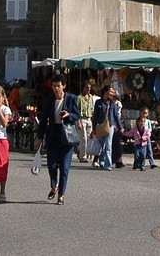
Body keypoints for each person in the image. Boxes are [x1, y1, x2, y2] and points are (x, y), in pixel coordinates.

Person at [35, 75, 81, 203]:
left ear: (64, 86)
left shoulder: (71, 99)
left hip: (67, 135)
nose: (56, 89)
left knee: (65, 167)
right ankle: (54, 185)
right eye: (54, 86)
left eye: (58, 86)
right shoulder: (49, 101)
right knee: (52, 165)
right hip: (53, 134)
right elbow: (44, 120)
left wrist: (69, 115)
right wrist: (40, 137)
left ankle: (61, 195)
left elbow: (77, 114)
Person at [91, 86, 121, 171]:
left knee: (108, 145)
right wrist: (94, 128)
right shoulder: (98, 102)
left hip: (110, 126)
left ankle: (108, 164)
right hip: (100, 126)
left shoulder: (113, 104)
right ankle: (102, 163)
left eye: (113, 92)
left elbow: (116, 116)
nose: (112, 94)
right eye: (110, 92)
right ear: (105, 92)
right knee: (101, 146)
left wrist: (120, 127)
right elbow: (95, 116)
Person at [75, 82, 95, 163]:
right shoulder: (79, 98)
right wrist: (78, 121)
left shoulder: (91, 98)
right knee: (83, 138)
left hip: (89, 119)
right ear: (83, 88)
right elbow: (76, 110)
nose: (88, 89)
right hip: (82, 118)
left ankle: (80, 149)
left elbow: (92, 109)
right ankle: (83, 156)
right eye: (87, 87)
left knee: (89, 138)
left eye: (89, 87)